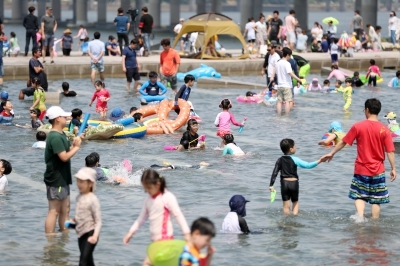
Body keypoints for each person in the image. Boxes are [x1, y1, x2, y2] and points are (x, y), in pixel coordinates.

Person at [321, 98, 396, 220]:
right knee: (376, 199)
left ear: (367, 110)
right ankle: (375, 223)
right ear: (378, 111)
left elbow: (344, 142)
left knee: (359, 196)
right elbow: (390, 151)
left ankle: (360, 218)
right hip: (378, 170)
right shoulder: (384, 129)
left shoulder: (358, 126)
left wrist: (332, 153)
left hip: (361, 168)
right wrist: (393, 168)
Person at [123, 169, 191, 265]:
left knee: (147, 263)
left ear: (158, 184)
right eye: (145, 189)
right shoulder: (148, 200)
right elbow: (141, 219)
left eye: (149, 188)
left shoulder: (167, 197)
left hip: (165, 241)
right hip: (155, 242)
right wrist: (130, 232)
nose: (147, 191)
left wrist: (187, 233)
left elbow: (178, 215)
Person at [44, 106, 82, 233]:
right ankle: (50, 240)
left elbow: (66, 151)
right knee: (54, 211)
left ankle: (64, 235)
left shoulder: (62, 134)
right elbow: (64, 157)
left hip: (63, 177)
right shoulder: (55, 137)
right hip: (56, 178)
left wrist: (75, 144)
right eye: (64, 117)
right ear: (57, 119)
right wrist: (76, 148)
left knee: (66, 209)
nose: (67, 118)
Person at [270, 139, 324, 215]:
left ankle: (286, 223)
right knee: (295, 202)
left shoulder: (279, 160)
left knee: (286, 206)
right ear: (291, 149)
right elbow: (307, 165)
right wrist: (320, 160)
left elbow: (274, 173)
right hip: (294, 183)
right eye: (295, 145)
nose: (296, 147)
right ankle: (294, 219)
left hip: (284, 183)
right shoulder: (295, 159)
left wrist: (271, 185)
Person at [70, 167, 102, 266]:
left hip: (91, 233)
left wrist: (95, 236)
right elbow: (79, 215)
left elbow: (98, 221)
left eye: (82, 182)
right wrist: (72, 222)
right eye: (78, 181)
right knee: (88, 261)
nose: (79, 184)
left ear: (90, 183)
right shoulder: (78, 197)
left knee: (82, 262)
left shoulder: (93, 199)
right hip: (80, 233)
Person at [270, 47, 302, 115]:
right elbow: (290, 73)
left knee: (279, 101)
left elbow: (274, 71)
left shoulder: (278, 63)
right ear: (287, 55)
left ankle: (279, 115)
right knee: (288, 101)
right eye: (290, 56)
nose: (290, 57)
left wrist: (272, 77)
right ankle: (286, 116)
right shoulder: (287, 63)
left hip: (280, 85)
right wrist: (299, 79)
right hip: (287, 86)